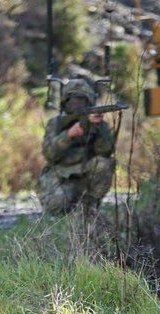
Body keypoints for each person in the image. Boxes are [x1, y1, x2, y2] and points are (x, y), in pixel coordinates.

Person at [38, 78, 116, 214]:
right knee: (55, 206)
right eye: (72, 100)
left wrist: (97, 128)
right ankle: (69, 208)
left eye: (82, 100)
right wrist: (68, 135)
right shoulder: (55, 124)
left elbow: (105, 151)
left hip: (86, 172)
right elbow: (50, 155)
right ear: (64, 102)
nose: (77, 104)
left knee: (103, 164)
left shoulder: (98, 124)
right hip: (61, 174)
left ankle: (90, 206)